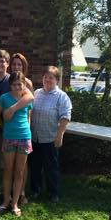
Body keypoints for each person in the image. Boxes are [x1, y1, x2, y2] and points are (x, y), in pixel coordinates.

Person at [30, 66, 72, 203]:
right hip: (35, 137)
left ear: (57, 80)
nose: (47, 80)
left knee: (51, 167)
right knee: (35, 166)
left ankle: (53, 193)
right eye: (45, 77)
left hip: (50, 138)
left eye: (51, 77)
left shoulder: (62, 97)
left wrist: (59, 136)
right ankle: (35, 190)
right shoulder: (36, 93)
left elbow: (65, 117)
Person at [0, 71, 33, 217]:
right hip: (9, 137)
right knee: (7, 170)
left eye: (20, 84)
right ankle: (6, 201)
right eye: (14, 84)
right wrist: (1, 126)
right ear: (10, 85)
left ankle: (15, 203)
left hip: (24, 137)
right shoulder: (4, 98)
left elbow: (29, 116)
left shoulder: (26, 98)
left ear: (24, 85)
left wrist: (27, 130)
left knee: (19, 172)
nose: (17, 87)